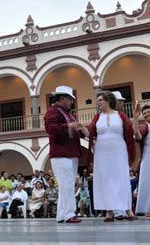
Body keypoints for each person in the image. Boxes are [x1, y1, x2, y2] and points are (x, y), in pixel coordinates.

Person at [87, 91, 136, 222]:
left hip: (119, 149)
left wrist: (136, 117)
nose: (98, 103)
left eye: (100, 100)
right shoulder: (97, 117)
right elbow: (90, 133)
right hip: (101, 152)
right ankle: (109, 212)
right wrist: (82, 128)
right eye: (97, 101)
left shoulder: (120, 115)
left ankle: (128, 209)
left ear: (108, 101)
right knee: (105, 179)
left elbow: (130, 129)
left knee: (122, 178)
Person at [44, 86, 88, 223]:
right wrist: (69, 126)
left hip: (71, 153)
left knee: (66, 185)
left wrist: (81, 129)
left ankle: (62, 215)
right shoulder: (52, 112)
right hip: (61, 153)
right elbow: (50, 128)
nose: (72, 102)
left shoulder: (68, 114)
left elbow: (74, 130)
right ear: (62, 98)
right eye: (70, 99)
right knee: (67, 185)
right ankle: (69, 213)